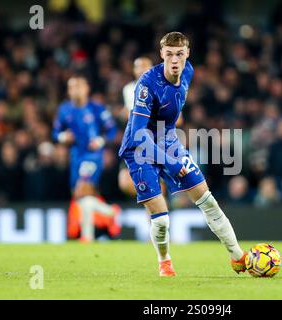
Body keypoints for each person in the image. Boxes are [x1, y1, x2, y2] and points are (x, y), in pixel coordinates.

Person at [118, 32, 247, 276]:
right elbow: (138, 134)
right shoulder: (147, 84)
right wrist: (171, 162)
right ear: (161, 55)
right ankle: (164, 260)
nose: (175, 60)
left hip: (166, 139)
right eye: (169, 54)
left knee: (207, 200)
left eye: (179, 54)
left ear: (187, 54)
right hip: (139, 149)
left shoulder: (188, 72)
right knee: (162, 220)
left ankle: (238, 256)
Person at [53, 75, 120, 242]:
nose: (75, 90)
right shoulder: (64, 109)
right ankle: (110, 213)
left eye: (78, 86)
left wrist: (100, 140)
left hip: (92, 155)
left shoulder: (97, 108)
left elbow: (112, 130)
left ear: (86, 89)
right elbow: (55, 132)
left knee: (83, 189)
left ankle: (87, 235)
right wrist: (63, 137)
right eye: (71, 87)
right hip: (76, 155)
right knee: (77, 195)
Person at [119, 57, 153, 197]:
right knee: (125, 182)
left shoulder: (163, 88)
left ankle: (159, 212)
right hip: (134, 141)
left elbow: (178, 118)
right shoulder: (128, 89)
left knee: (156, 184)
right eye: (138, 66)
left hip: (154, 139)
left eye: (144, 66)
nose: (141, 69)